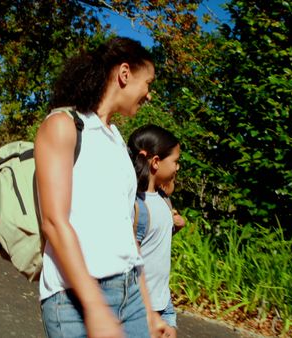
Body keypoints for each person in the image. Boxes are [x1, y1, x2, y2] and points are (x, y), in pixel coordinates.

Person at [34, 37, 167, 338]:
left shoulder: (117, 137)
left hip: (129, 294)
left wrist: (147, 308)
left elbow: (126, 231)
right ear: (124, 74)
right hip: (75, 300)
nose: (149, 95)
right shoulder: (62, 125)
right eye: (148, 83)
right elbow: (54, 222)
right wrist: (94, 306)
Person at [127, 125, 185, 338]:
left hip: (163, 301)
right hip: (141, 306)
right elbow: (131, 258)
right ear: (156, 162)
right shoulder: (136, 206)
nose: (177, 168)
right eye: (175, 161)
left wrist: (175, 226)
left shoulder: (163, 199)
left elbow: (154, 243)